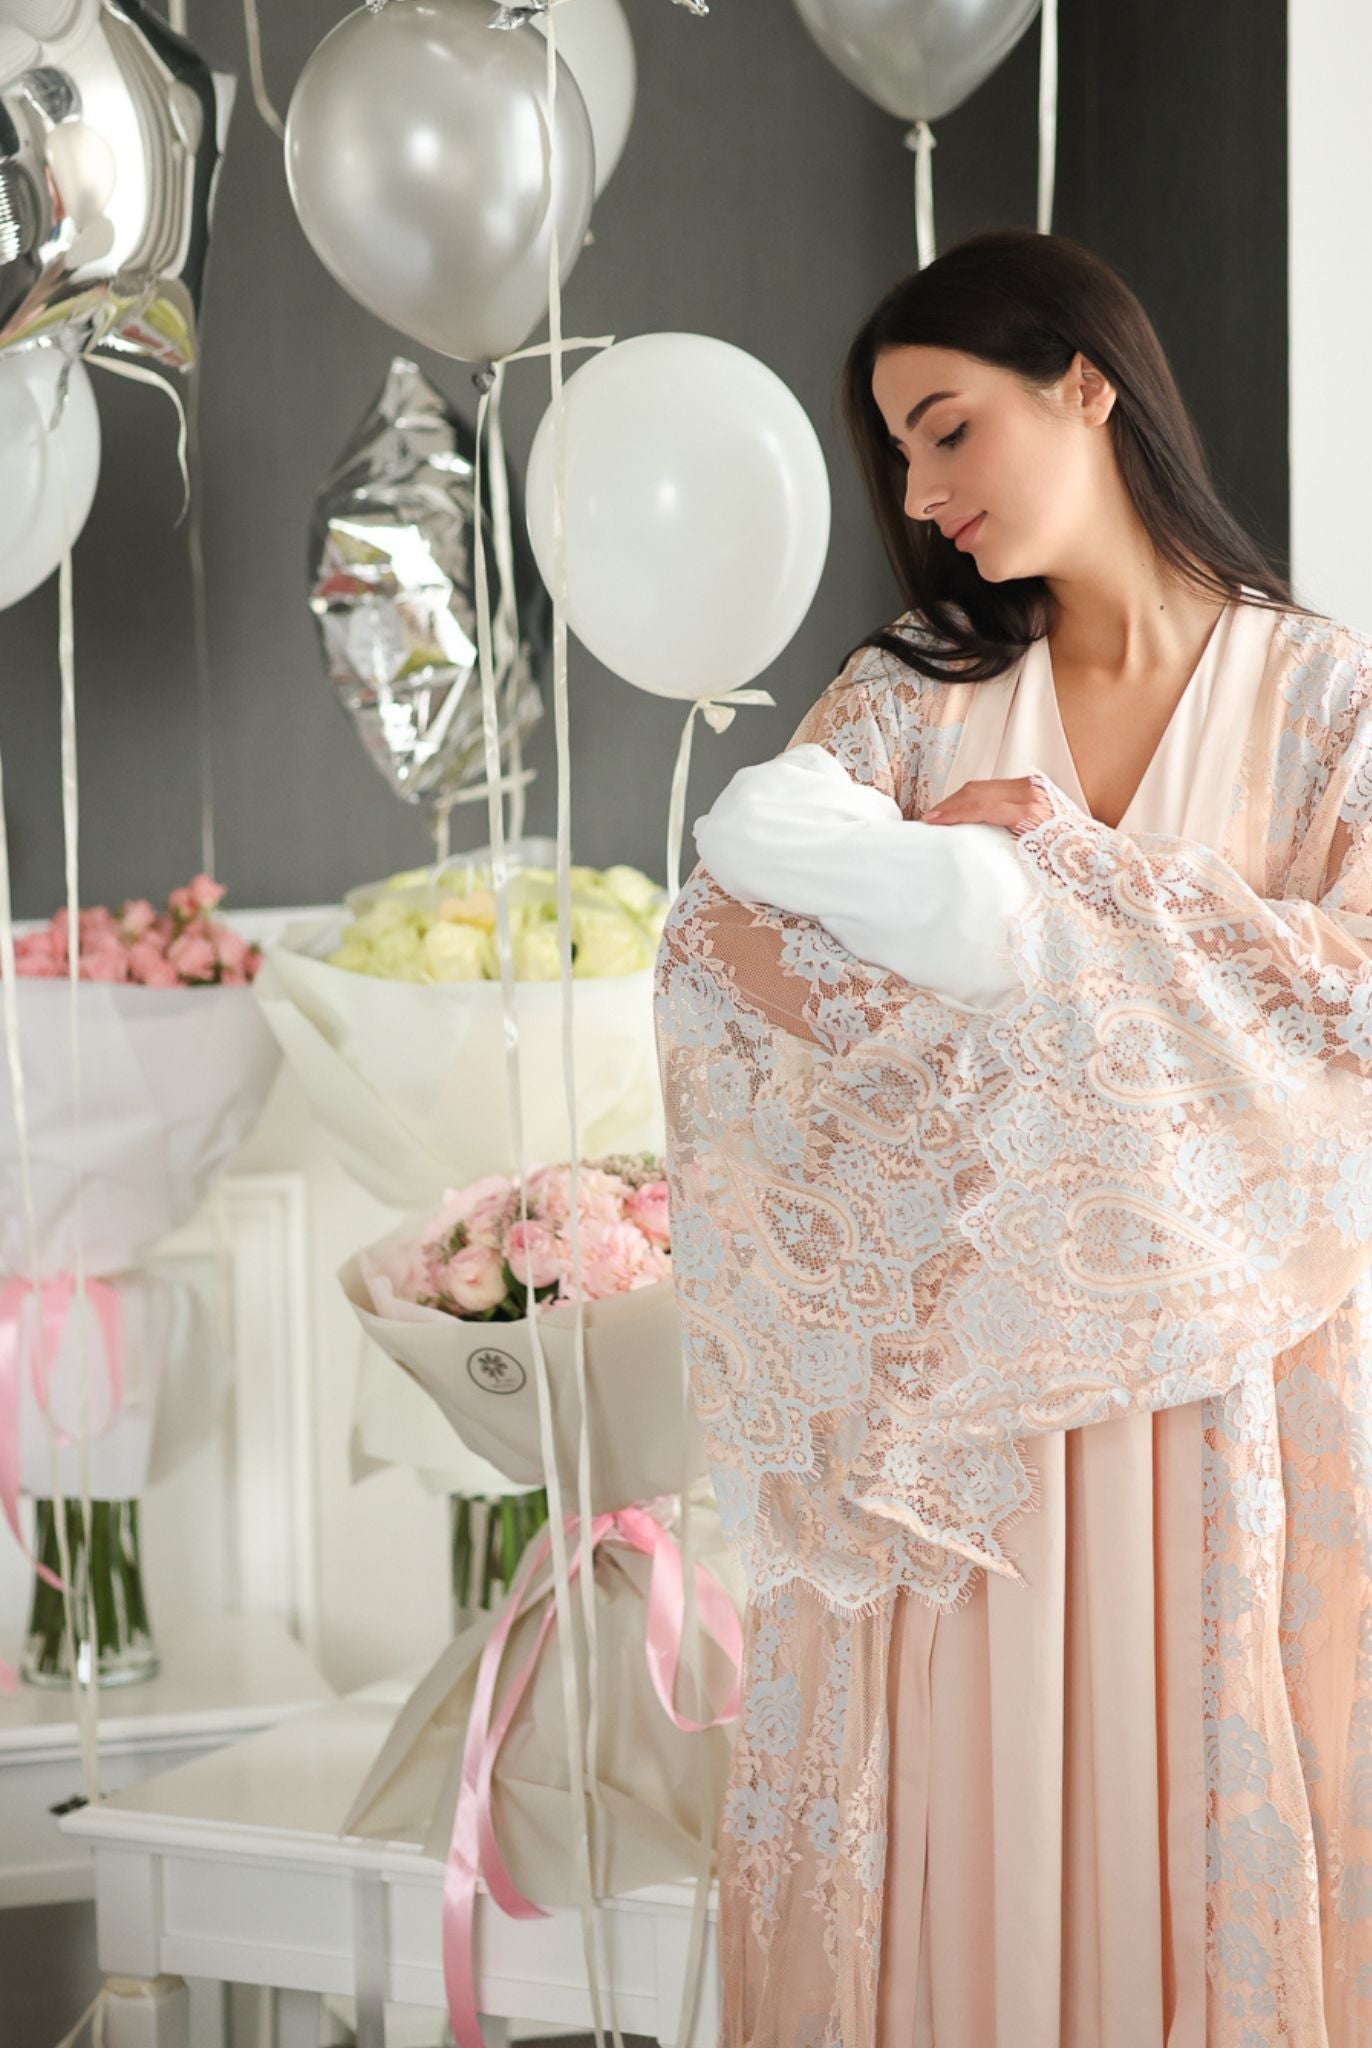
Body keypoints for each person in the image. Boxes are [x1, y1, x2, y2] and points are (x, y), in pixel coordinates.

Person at [652, 228, 1372, 2047]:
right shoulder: (906, 701)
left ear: (1087, 382)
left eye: (948, 428)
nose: (922, 493)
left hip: (1241, 1418)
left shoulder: (1330, 708)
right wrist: (994, 956)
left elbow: (1357, 1005)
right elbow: (724, 959)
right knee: (954, 1884)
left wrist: (1061, 888)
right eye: (898, 453)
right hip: (957, 1447)